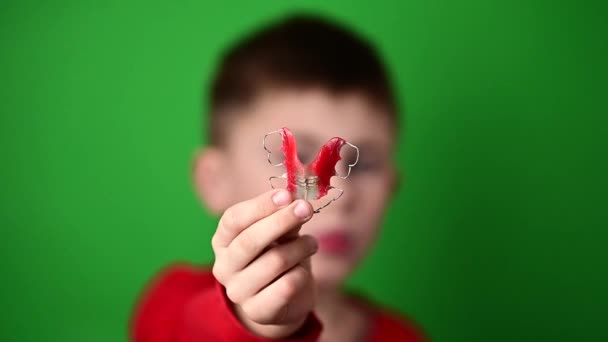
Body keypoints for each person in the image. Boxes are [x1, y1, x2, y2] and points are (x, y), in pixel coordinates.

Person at [131, 14, 426, 341]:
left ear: (392, 187)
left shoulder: (405, 336)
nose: (339, 191)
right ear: (215, 181)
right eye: (299, 157)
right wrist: (253, 322)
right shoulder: (170, 306)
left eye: (365, 163)